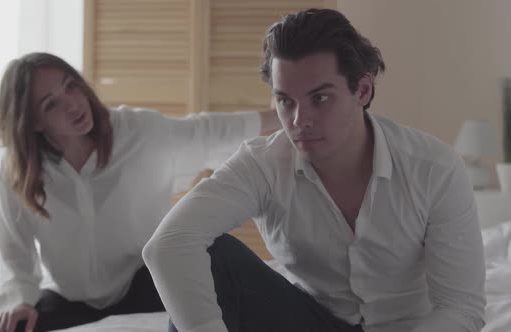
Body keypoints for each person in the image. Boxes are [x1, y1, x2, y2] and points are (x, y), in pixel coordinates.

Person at [143, 8, 486, 332]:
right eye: (285, 101)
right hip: (309, 321)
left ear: (362, 90)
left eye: (319, 99)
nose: (298, 121)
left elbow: (460, 307)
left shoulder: (433, 168)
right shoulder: (262, 163)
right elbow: (168, 245)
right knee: (213, 255)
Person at [0, 52, 279, 332]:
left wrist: (279, 114)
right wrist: (19, 300)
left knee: (206, 276)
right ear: (33, 122)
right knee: (15, 327)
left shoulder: (137, 130)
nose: (73, 104)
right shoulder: (18, 170)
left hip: (145, 283)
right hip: (73, 299)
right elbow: (15, 251)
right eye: (51, 104)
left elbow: (205, 131)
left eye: (71, 86)